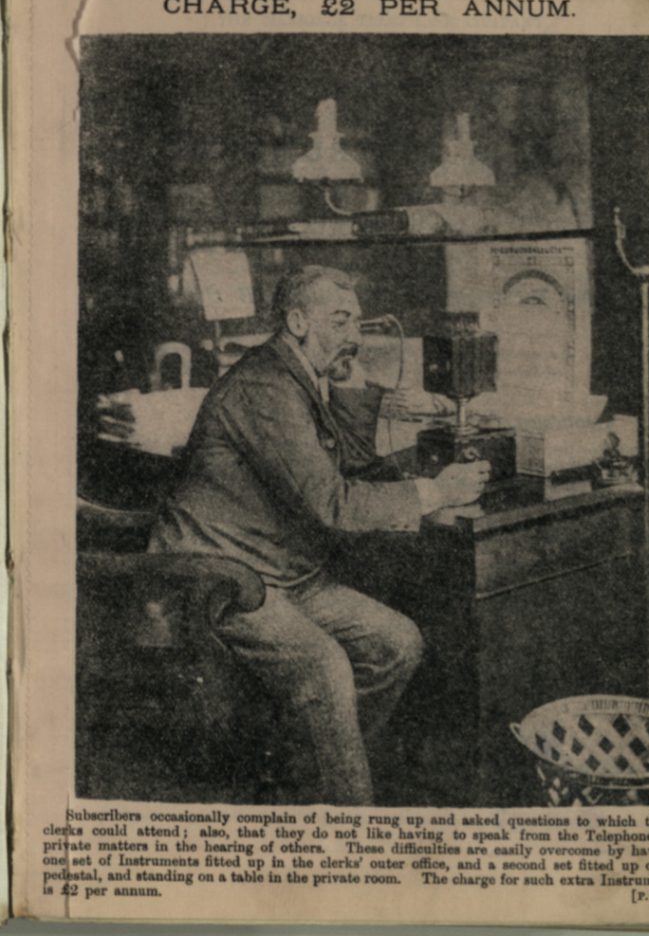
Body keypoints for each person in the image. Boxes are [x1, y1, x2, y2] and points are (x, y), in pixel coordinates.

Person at [150, 264, 490, 804]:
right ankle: (343, 809)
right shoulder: (265, 387)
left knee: (397, 643)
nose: (354, 334)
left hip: (282, 572)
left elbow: (348, 463)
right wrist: (435, 493)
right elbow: (333, 504)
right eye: (340, 321)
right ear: (297, 322)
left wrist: (352, 385)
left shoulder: (300, 376)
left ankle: (309, 771)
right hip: (221, 575)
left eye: (357, 321)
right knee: (325, 666)